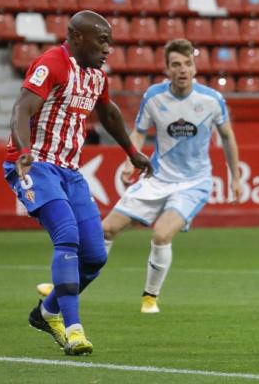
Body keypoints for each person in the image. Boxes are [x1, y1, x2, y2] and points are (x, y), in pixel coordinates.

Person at [38, 39, 242, 314]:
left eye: (188, 64)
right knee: (105, 229)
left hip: (192, 183)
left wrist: (235, 176)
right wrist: (128, 159)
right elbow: (138, 132)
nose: (182, 70)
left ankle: (150, 297)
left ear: (195, 68)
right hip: (156, 178)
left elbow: (228, 136)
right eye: (176, 65)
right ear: (167, 69)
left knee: (161, 234)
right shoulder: (154, 97)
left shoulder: (211, 100)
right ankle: (64, 285)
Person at [4, 10, 152, 356]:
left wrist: (132, 151)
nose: (108, 49)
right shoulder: (51, 63)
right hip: (35, 165)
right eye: (102, 41)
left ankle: (47, 312)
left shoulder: (96, 75)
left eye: (110, 42)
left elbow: (108, 112)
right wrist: (24, 151)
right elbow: (21, 109)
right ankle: (73, 329)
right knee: (67, 237)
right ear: (77, 37)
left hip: (70, 171)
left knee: (95, 255)